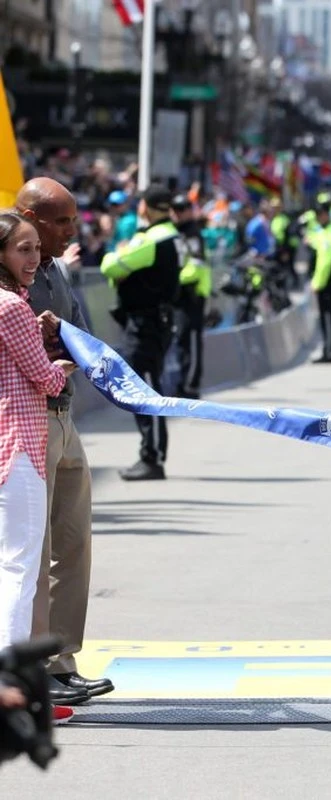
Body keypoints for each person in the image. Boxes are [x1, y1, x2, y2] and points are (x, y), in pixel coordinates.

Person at [15, 178, 112, 705]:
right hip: (23, 423)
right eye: (60, 220)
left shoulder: (54, 270)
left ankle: (61, 662)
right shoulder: (9, 284)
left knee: (73, 544)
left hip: (62, 416)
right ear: (27, 215)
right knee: (35, 551)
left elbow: (84, 332)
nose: (70, 231)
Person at [0, 213, 73, 690]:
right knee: (20, 570)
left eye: (35, 249)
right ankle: (15, 688)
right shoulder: (11, 309)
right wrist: (62, 366)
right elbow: (43, 379)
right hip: (19, 447)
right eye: (22, 249)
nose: (34, 259)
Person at [100, 184, 183, 481]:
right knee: (148, 384)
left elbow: (109, 266)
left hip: (146, 323)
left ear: (144, 208)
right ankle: (151, 454)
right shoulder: (172, 237)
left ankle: (152, 456)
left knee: (145, 389)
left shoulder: (149, 241)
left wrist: (121, 253)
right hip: (155, 321)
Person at [171, 194, 211, 399]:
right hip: (179, 295)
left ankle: (192, 384)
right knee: (182, 339)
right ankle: (184, 381)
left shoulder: (193, 233)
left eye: (181, 209)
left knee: (192, 340)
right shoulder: (174, 231)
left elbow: (196, 264)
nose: (177, 214)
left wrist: (174, 279)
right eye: (174, 209)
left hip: (193, 293)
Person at [307, 204, 331, 364]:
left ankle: (328, 350)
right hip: (328, 279)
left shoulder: (329, 233)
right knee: (327, 316)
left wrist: (317, 283)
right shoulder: (321, 232)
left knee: (327, 316)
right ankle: (327, 349)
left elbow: (325, 262)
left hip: (327, 281)